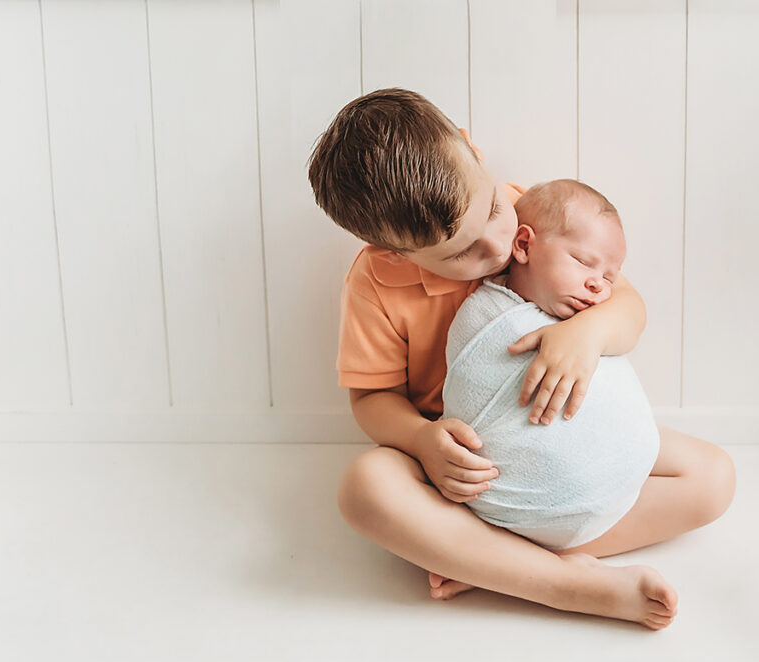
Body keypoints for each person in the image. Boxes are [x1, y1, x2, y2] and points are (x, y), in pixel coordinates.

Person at [308, 88, 736, 631]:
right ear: (395, 252)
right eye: (460, 254)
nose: (497, 245)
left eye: (490, 210)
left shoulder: (536, 211)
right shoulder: (375, 285)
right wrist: (422, 441)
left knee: (713, 477)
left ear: (473, 151)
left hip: (565, 428)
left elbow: (629, 305)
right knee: (364, 489)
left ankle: (491, 562)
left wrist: (589, 330)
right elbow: (372, 400)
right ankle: (565, 584)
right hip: (467, 463)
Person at [442, 179, 660, 553]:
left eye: (610, 276)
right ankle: (538, 563)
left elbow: (631, 314)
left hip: (607, 482)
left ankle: (510, 561)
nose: (599, 286)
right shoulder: (490, 319)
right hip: (521, 496)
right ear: (524, 245)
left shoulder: (582, 313)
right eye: (583, 262)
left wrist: (588, 333)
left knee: (717, 476)